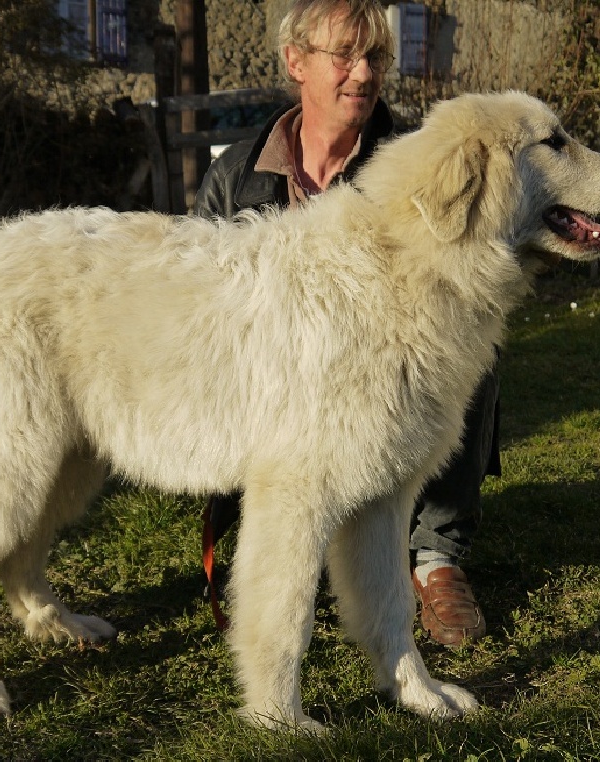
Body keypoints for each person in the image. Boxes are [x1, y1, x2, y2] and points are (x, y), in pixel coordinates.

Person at [193, 0, 500, 647]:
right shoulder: (233, 177)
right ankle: (280, 535)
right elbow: (203, 314)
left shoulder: (416, 166)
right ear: (295, 61)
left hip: (382, 391)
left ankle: (434, 554)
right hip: (276, 411)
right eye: (345, 55)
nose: (364, 73)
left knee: (464, 346)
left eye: (376, 57)